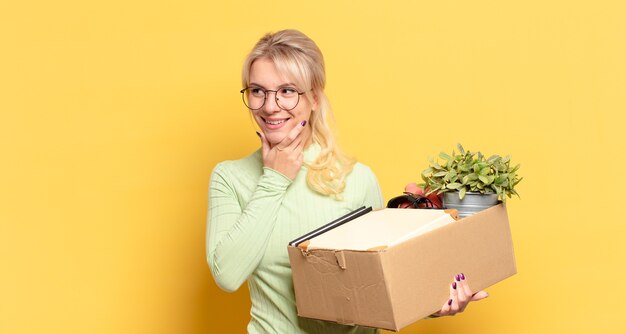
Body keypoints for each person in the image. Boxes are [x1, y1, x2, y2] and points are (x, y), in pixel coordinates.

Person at [206, 29, 487, 334]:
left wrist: (436, 300)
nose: (270, 106)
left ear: (314, 97)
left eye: (287, 91)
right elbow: (228, 276)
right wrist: (274, 178)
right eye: (257, 90)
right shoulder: (230, 178)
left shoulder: (355, 179)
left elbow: (381, 284)